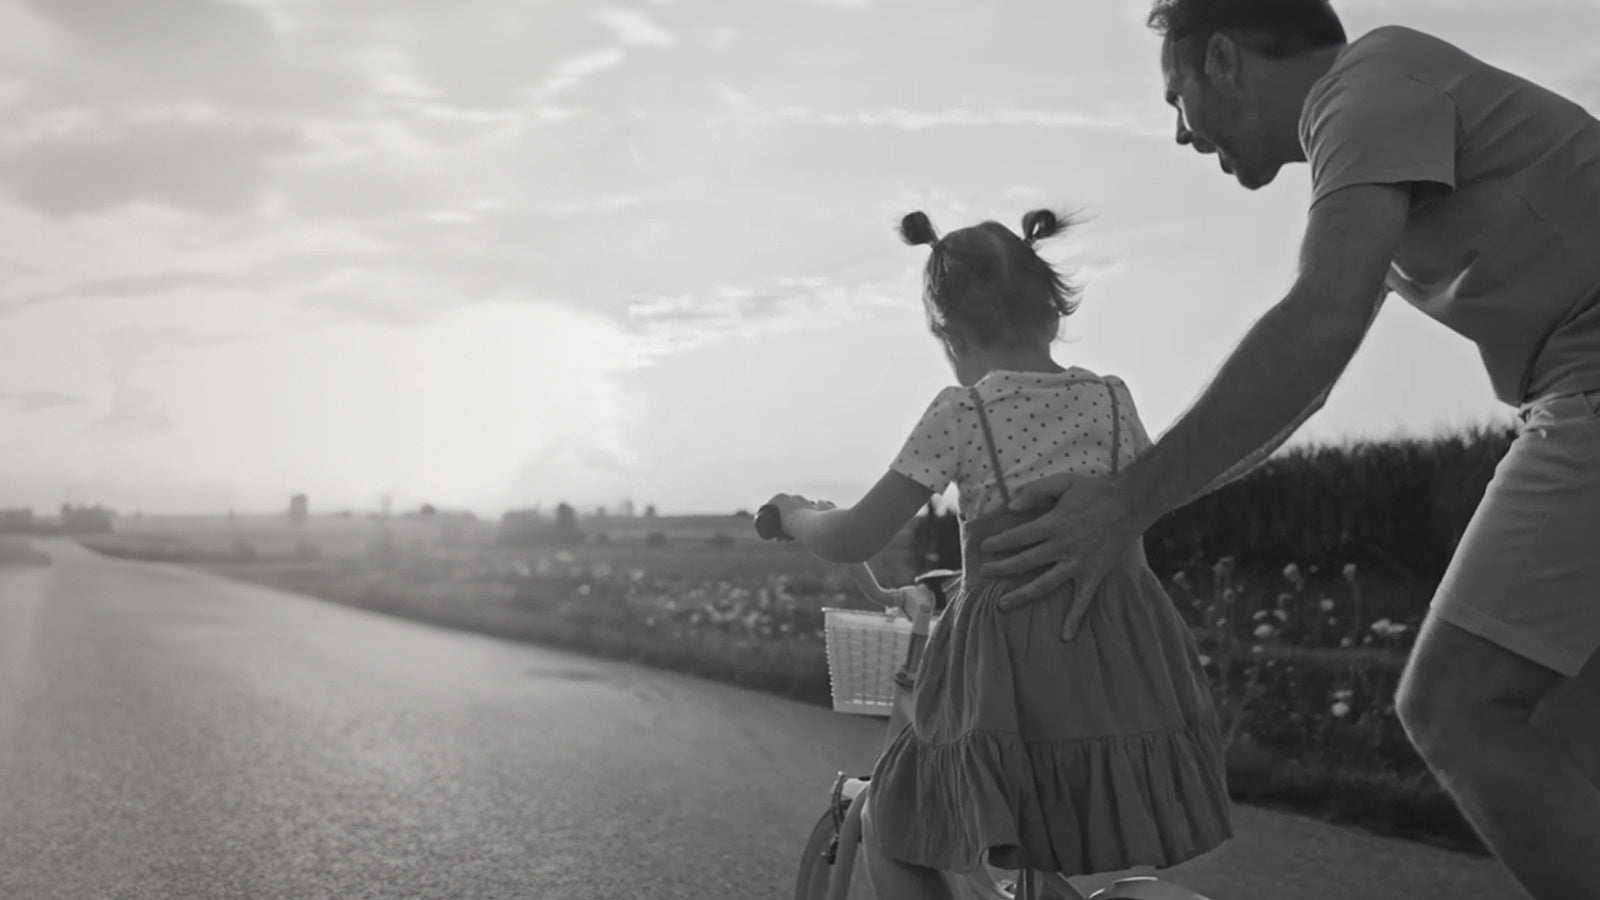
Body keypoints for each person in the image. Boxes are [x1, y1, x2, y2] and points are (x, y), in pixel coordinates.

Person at [976, 2, 1600, 897]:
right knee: (1556, 735)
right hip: (1572, 385)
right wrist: (1142, 496)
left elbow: (1316, 325)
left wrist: (1124, 504)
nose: (1184, 136)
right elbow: (1304, 379)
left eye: (1174, 99)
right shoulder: (1384, 111)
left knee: (1457, 708)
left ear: (1222, 59)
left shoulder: (1370, 88)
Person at [764, 209, 1232, 900]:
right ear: (1054, 311)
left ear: (947, 333)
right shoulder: (1111, 400)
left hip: (1007, 668)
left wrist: (798, 517)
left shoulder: (963, 412)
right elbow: (1140, 501)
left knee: (894, 822)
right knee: (1048, 828)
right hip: (1123, 665)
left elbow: (857, 536)